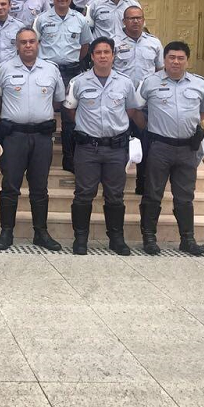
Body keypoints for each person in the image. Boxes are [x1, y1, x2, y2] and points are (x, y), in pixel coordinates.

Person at [63, 37, 143, 256]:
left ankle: (116, 238)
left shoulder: (125, 83)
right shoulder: (78, 82)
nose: (102, 56)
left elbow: (131, 111)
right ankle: (80, 239)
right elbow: (70, 110)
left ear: (113, 55)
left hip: (116, 148)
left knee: (115, 195)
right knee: (83, 194)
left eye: (107, 52)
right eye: (98, 52)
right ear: (92, 56)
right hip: (88, 147)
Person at [136, 41, 204, 256]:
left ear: (187, 61)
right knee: (153, 194)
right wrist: (149, 128)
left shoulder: (199, 84)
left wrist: (185, 125)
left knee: (185, 196)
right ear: (164, 59)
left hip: (188, 148)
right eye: (171, 57)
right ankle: (149, 238)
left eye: (180, 58)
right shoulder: (149, 83)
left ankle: (187, 239)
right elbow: (135, 109)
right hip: (159, 146)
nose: (175, 62)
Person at [0, 27, 64, 251]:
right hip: (14, 136)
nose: (28, 45)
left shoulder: (51, 70)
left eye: (32, 41)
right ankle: (6, 232)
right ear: (17, 45)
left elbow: (58, 101)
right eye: (23, 42)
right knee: (10, 185)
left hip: (42, 137)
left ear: (38, 43)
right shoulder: (3, 69)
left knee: (40, 186)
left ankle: (41, 233)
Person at [34, 0, 93, 173]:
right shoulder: (41, 19)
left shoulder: (80, 20)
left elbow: (85, 47)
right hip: (46, 72)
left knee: (69, 116)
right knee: (42, 114)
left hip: (71, 73)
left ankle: (69, 159)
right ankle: (39, 159)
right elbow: (33, 44)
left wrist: (72, 61)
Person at [114, 5, 163, 195]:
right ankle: (115, 185)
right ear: (124, 21)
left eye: (139, 18)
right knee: (118, 145)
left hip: (144, 104)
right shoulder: (114, 42)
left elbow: (159, 72)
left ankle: (142, 184)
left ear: (143, 20)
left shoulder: (154, 43)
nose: (135, 21)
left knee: (146, 144)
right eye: (131, 18)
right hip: (120, 103)